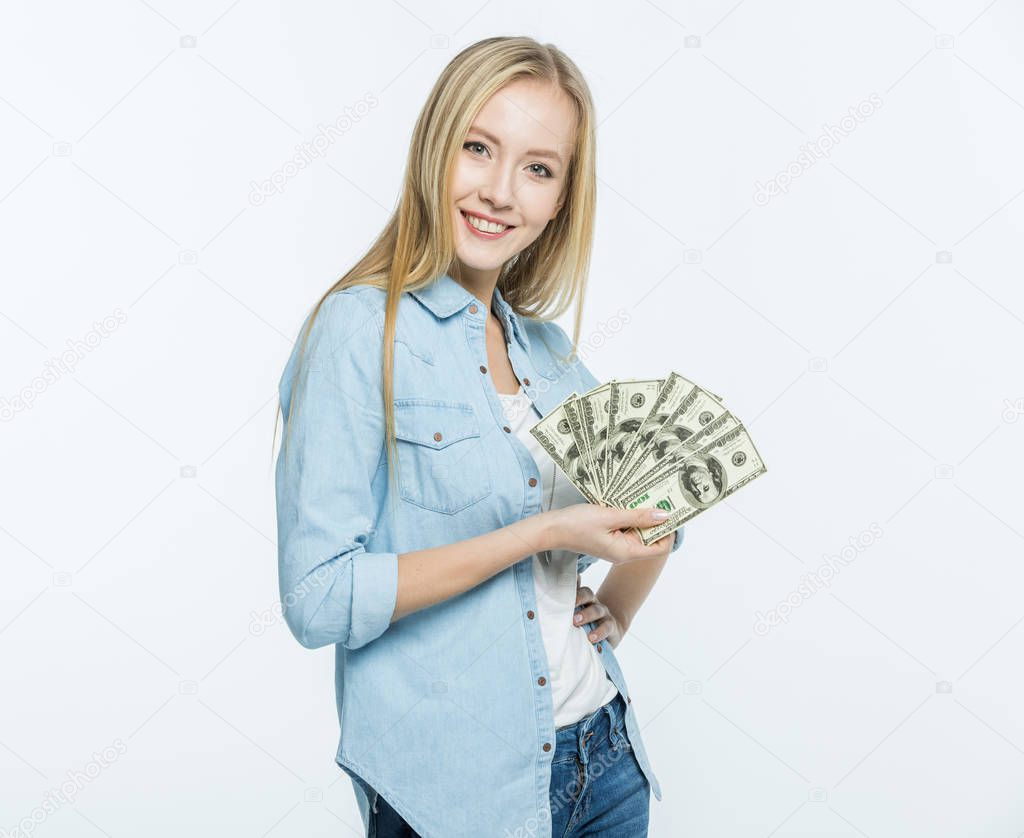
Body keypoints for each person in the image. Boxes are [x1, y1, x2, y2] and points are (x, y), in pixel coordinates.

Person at [273, 35, 686, 838]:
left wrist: (621, 608)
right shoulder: (358, 331)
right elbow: (316, 599)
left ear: (562, 197)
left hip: (604, 764)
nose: (500, 192)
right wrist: (538, 533)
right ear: (436, 149)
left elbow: (659, 509)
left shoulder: (551, 356)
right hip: (455, 790)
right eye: (478, 148)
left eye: (538, 168)